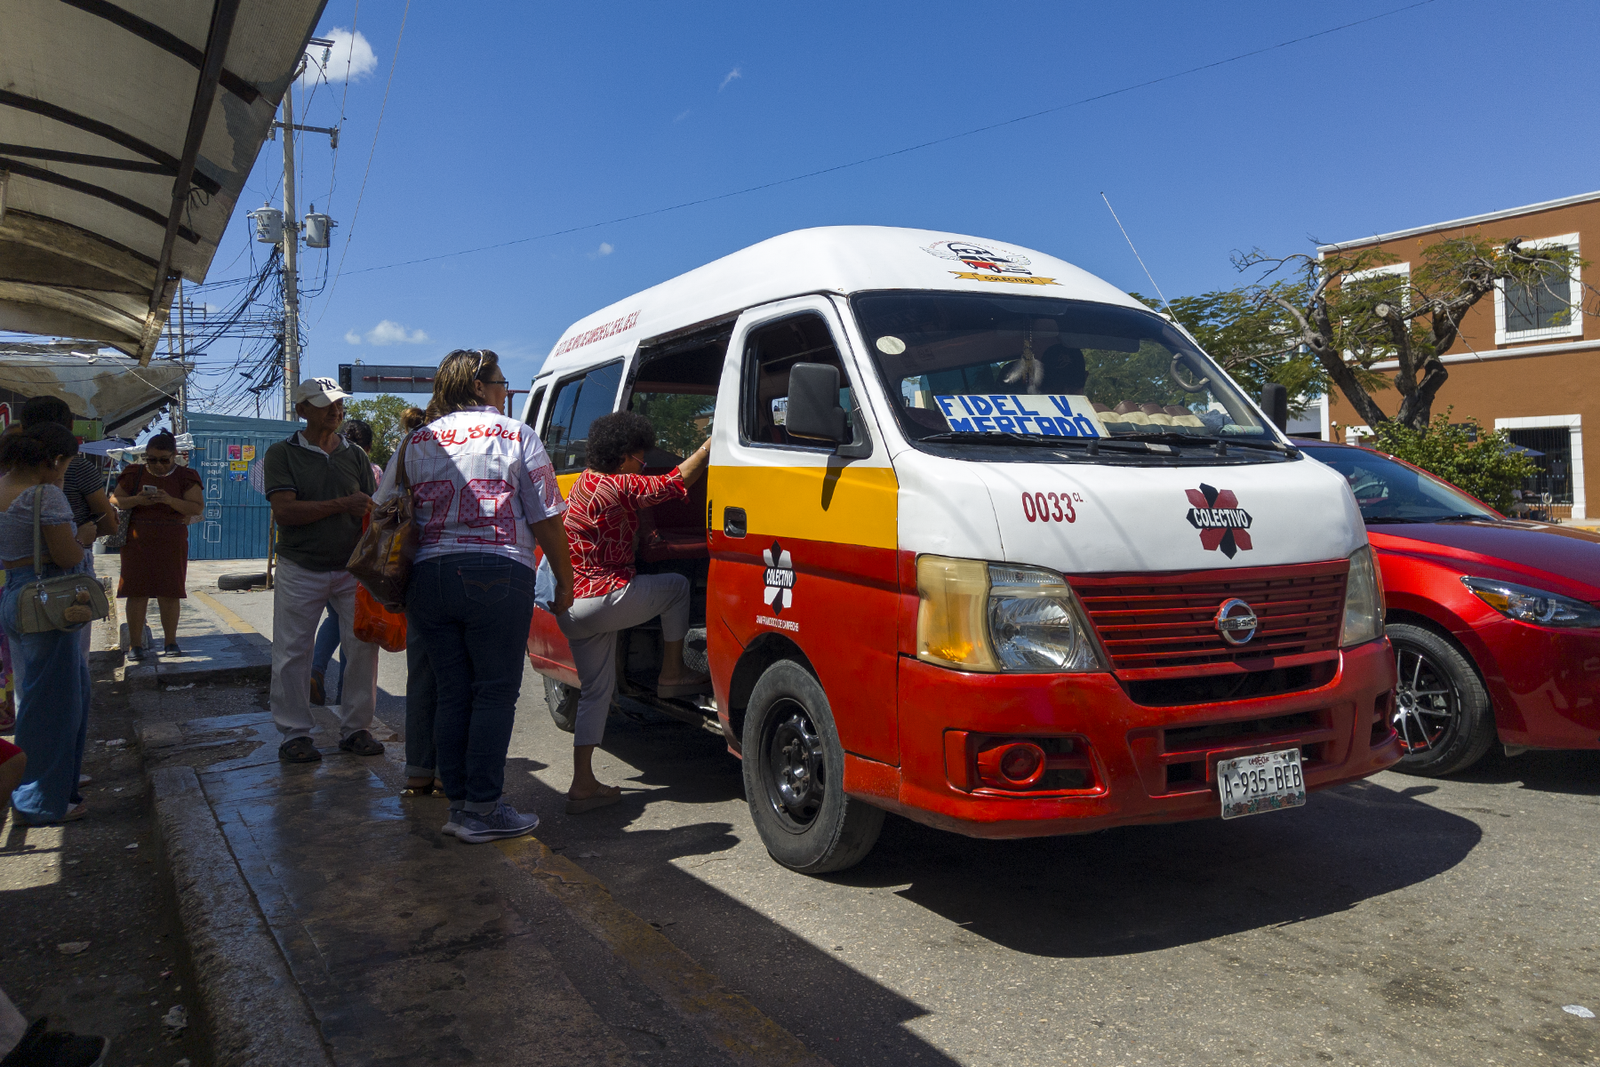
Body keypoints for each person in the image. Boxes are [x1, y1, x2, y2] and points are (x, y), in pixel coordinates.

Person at [377, 350, 572, 841]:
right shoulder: (515, 435)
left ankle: (461, 804)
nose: (506, 391)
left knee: (452, 691)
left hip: (428, 578)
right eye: (502, 382)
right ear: (481, 385)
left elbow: (383, 508)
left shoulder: (414, 442)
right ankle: (483, 809)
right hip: (495, 570)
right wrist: (565, 579)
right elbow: (547, 516)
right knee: (494, 691)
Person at [557, 411, 711, 814]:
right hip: (603, 597)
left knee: (595, 691)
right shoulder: (616, 486)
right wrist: (711, 445)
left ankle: (583, 783)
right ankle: (673, 672)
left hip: (572, 605)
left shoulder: (583, 483)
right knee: (677, 587)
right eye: (640, 459)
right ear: (624, 456)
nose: (642, 465)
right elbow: (675, 482)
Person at [262, 378, 381, 763]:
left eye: (338, 403)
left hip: (351, 569)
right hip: (301, 566)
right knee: (293, 651)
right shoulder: (282, 454)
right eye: (325, 403)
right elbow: (285, 512)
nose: (335, 409)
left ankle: (357, 728)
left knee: (362, 646)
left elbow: (370, 508)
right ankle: (294, 733)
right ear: (302, 411)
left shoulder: (356, 456)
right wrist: (342, 504)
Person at [0, 425, 92, 825]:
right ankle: (41, 802)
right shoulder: (44, 496)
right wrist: (84, 534)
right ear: (48, 462)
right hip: (45, 601)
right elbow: (67, 555)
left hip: (12, 594)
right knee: (54, 706)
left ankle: (34, 793)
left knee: (33, 697)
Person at [20, 397, 118, 660]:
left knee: (26, 671)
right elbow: (104, 525)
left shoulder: (10, 473)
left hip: (17, 581)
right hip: (65, 579)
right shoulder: (61, 480)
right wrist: (82, 537)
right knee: (69, 665)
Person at [308, 417, 384, 706]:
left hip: (322, 554)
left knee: (336, 617)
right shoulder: (374, 470)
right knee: (354, 623)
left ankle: (316, 670)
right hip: (359, 557)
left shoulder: (326, 465)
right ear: (368, 445)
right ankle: (344, 695)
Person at [110, 432, 202, 659]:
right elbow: (115, 499)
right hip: (137, 537)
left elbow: (196, 507)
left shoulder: (186, 476)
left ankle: (171, 642)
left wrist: (169, 500)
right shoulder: (134, 473)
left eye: (163, 459)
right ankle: (135, 645)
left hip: (171, 537)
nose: (158, 465)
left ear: (174, 456)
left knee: (170, 592)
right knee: (136, 591)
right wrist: (137, 500)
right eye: (151, 459)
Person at [390, 407, 443, 797]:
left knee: (424, 674)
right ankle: (446, 772)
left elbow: (382, 500)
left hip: (417, 569)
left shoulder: (411, 445)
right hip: (470, 568)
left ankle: (419, 772)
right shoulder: (488, 438)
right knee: (461, 679)